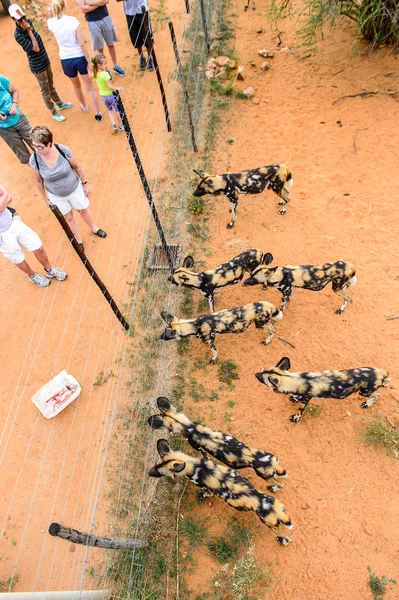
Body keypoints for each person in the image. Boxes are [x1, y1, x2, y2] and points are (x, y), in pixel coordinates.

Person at [29, 125, 107, 252]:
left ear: (49, 144)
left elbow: (76, 166)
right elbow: (38, 181)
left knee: (83, 210)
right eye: (34, 145)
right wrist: (45, 199)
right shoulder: (34, 159)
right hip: (56, 195)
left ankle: (93, 228)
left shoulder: (62, 150)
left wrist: (84, 183)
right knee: (68, 217)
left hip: (75, 189)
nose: (36, 149)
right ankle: (78, 239)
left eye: (40, 146)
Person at [9, 3, 72, 123]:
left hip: (44, 59)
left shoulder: (28, 22)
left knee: (51, 84)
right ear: (13, 20)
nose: (23, 20)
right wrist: (29, 31)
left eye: (23, 17)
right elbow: (35, 48)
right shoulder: (18, 35)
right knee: (45, 89)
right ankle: (53, 112)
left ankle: (59, 103)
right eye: (20, 19)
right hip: (37, 66)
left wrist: (28, 28)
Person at [0, 182, 67, 287]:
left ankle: (49, 269)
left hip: (14, 222)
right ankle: (32, 275)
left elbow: (8, 197)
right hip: (2, 236)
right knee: (18, 258)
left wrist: (3, 200)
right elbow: (4, 198)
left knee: (38, 247)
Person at [47, 0, 102, 121]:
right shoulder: (72, 21)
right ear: (64, 6)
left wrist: (50, 11)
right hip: (79, 56)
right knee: (90, 87)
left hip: (66, 59)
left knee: (76, 86)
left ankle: (84, 105)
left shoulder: (51, 23)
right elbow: (81, 44)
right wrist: (89, 61)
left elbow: (50, 18)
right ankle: (98, 111)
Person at [76, 0, 126, 77]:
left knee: (110, 44)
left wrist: (89, 3)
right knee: (99, 48)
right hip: (92, 21)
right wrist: (99, 3)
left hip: (105, 17)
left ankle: (115, 65)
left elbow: (106, 1)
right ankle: (105, 69)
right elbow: (83, 9)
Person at [0, 75, 34, 164]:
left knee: (37, 144)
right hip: (4, 130)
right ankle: (37, 173)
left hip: (19, 120)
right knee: (24, 155)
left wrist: (14, 104)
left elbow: (14, 90)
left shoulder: (1, 79)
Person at [116, 0, 154, 71]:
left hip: (142, 10)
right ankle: (141, 57)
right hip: (129, 13)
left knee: (147, 35)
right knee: (135, 36)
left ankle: (150, 57)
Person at [91, 54, 124, 132]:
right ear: (99, 65)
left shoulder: (95, 73)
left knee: (110, 111)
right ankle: (121, 125)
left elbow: (90, 76)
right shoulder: (105, 74)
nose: (106, 65)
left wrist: (90, 69)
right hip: (110, 95)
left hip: (103, 96)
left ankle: (114, 125)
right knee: (117, 110)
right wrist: (118, 88)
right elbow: (109, 87)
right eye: (105, 64)